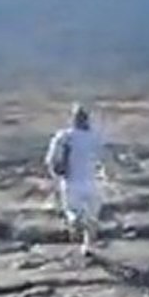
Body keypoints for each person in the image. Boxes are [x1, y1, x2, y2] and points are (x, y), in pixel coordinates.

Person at [44, 103, 106, 255]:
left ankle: (76, 221)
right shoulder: (95, 137)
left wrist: (55, 174)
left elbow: (50, 160)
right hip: (92, 182)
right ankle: (88, 246)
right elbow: (104, 158)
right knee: (93, 216)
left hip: (71, 182)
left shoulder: (64, 137)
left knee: (71, 211)